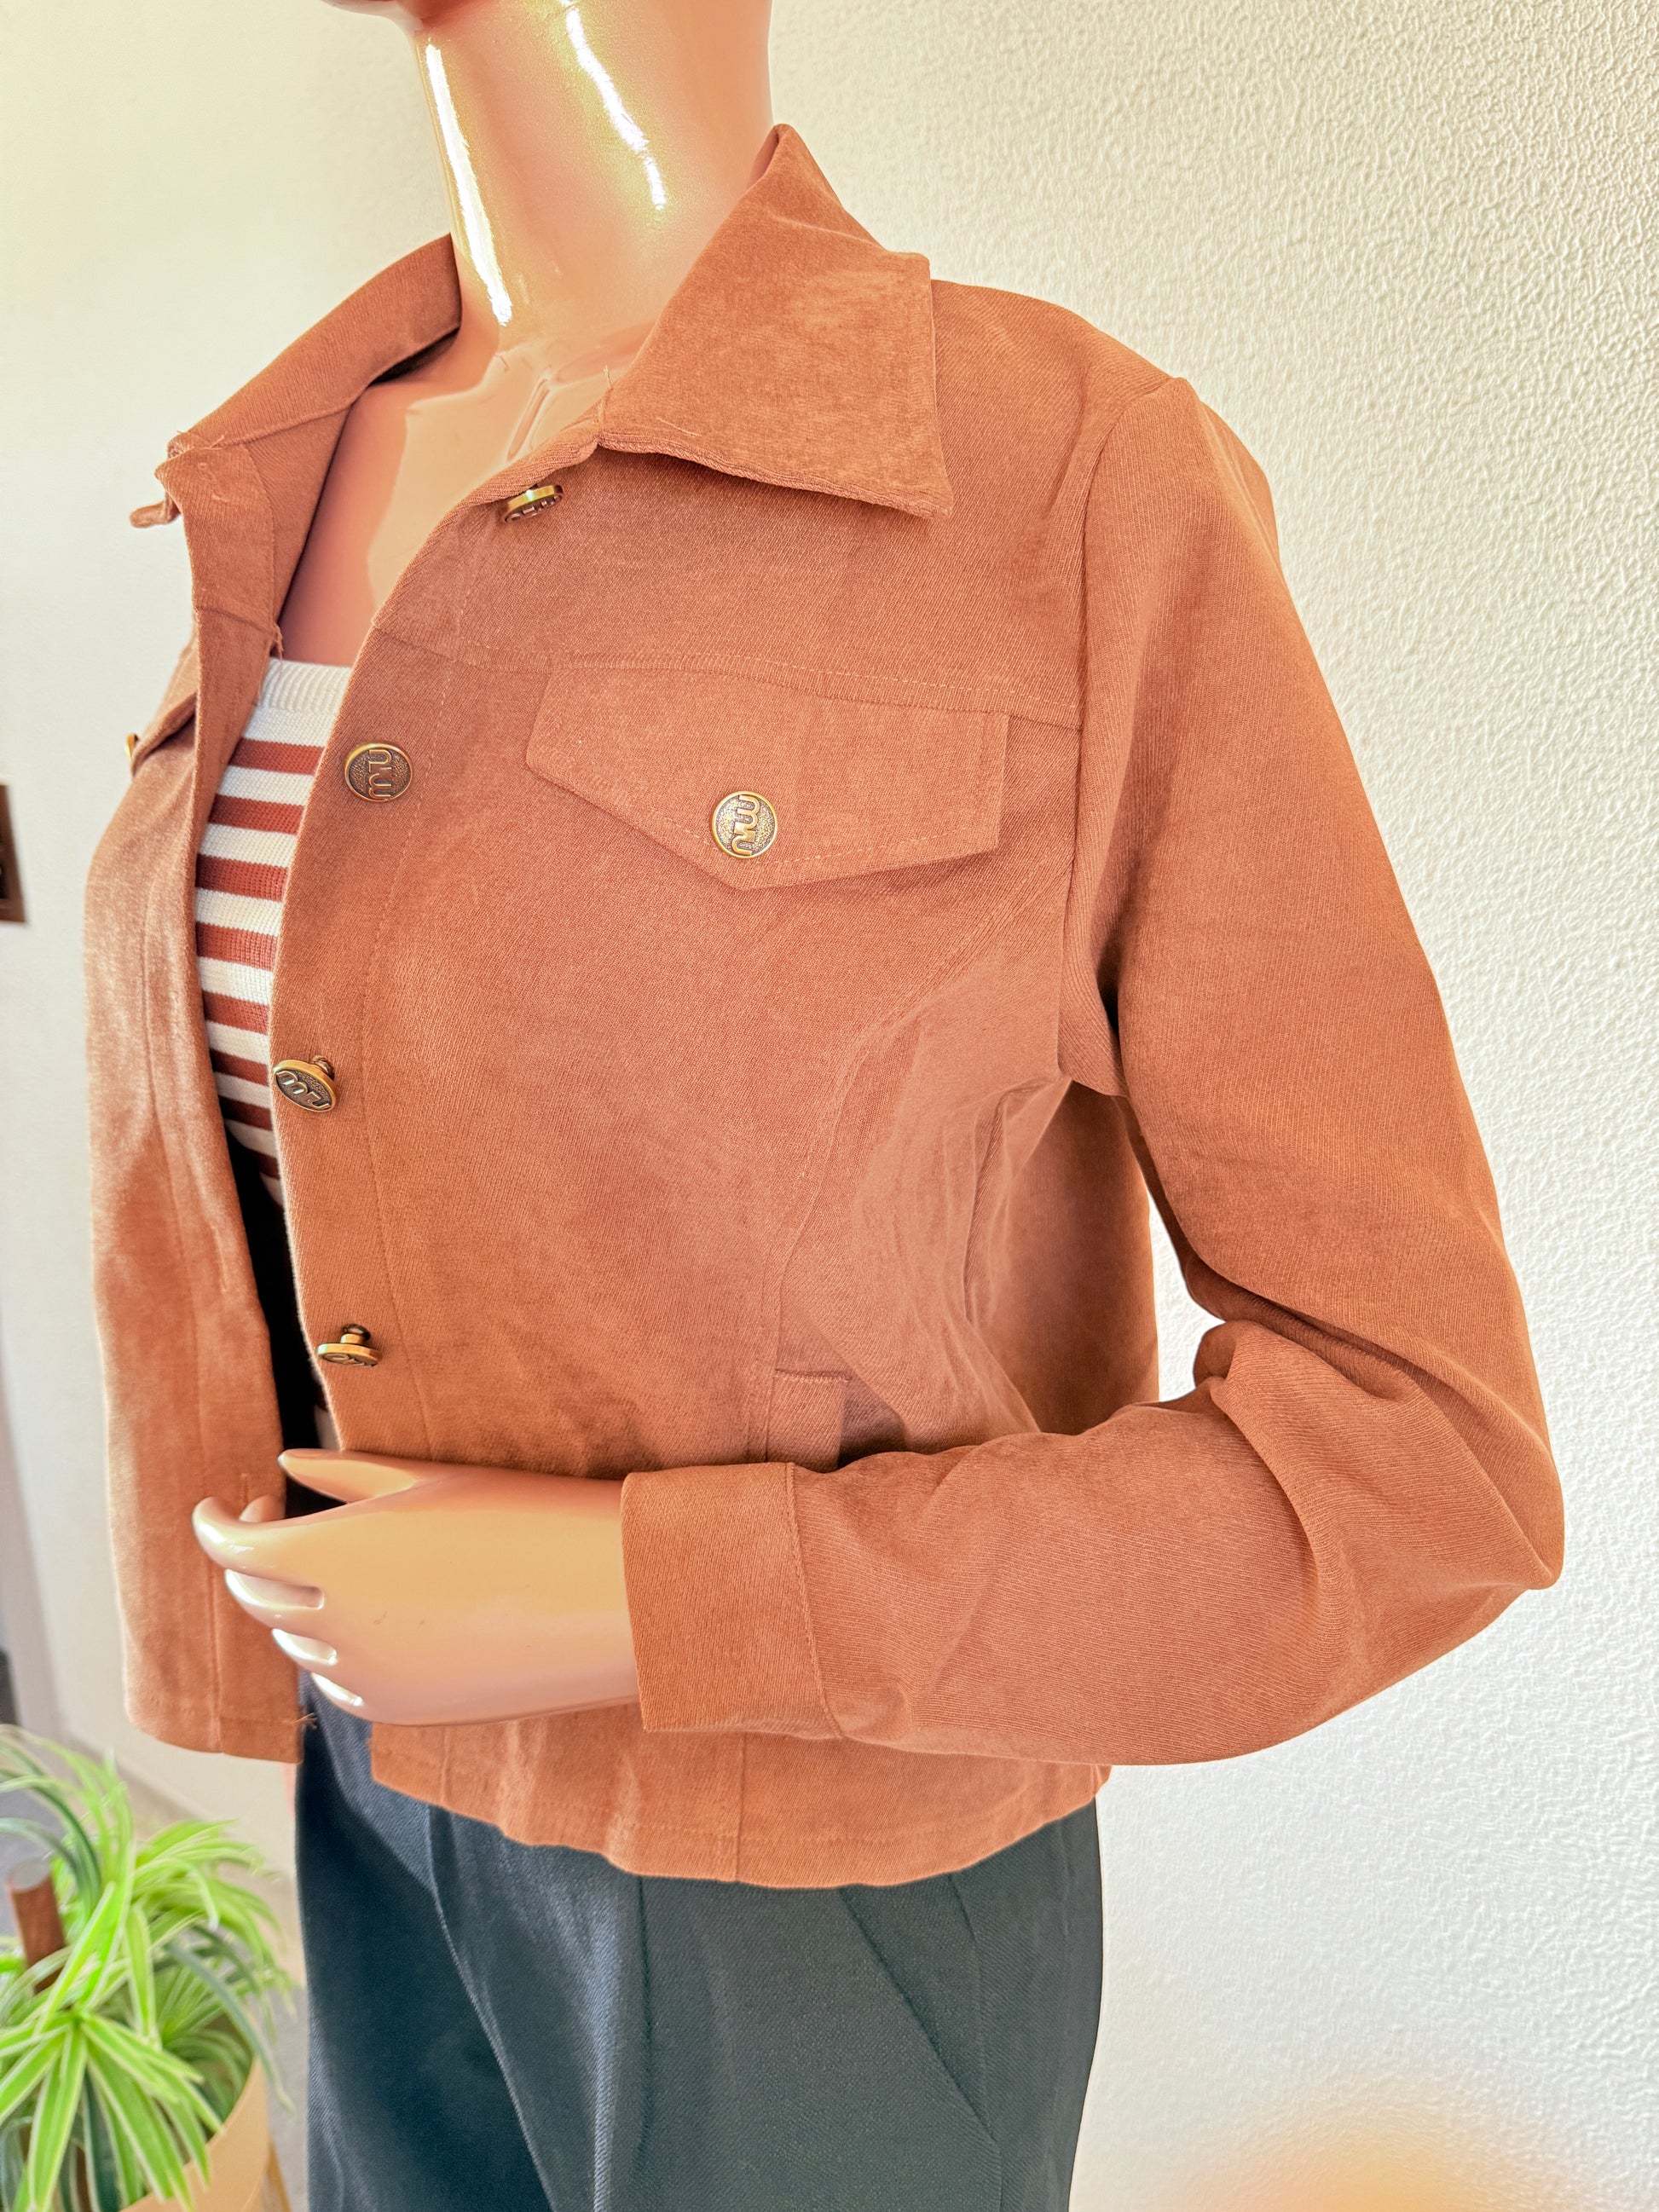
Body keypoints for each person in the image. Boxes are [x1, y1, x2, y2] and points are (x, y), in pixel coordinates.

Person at [85, 2, 1564, 2205]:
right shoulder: (283, 480)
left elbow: (1420, 1456)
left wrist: (650, 1591)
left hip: (812, 1894)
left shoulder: (1065, 481)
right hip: (378, 1796)